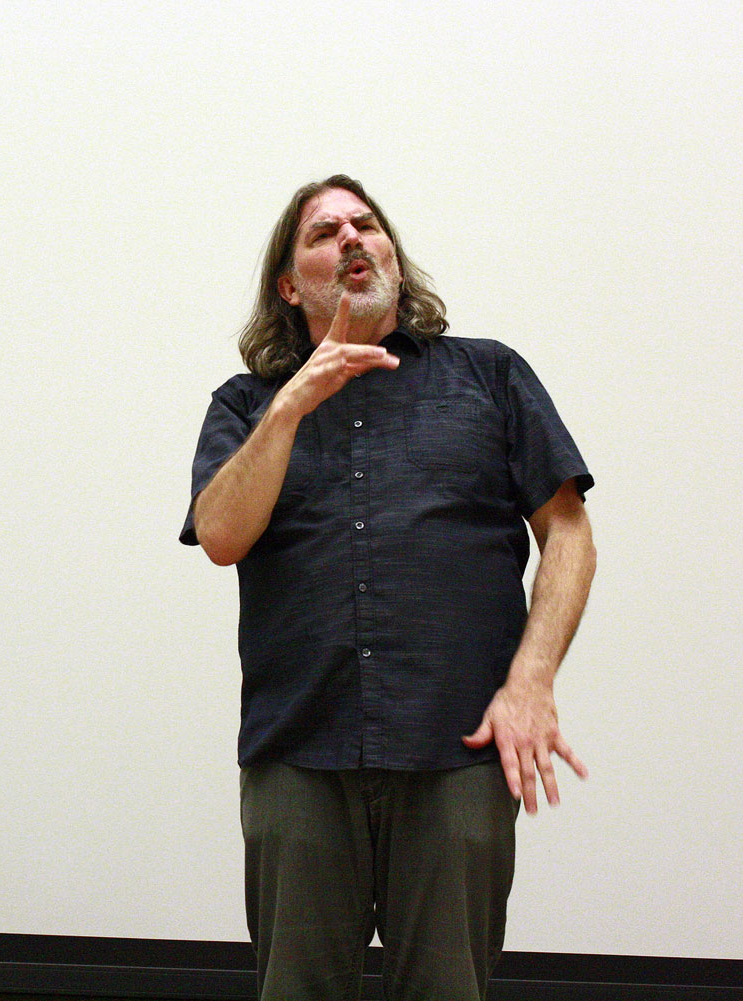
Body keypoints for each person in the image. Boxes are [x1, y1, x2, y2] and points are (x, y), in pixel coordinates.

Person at [181, 175, 596, 1001]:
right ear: (289, 285)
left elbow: (569, 534)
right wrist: (292, 404)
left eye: (365, 225)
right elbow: (221, 535)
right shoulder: (248, 404)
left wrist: (532, 680)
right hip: (299, 753)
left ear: (394, 261)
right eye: (324, 232)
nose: (351, 238)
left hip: (458, 751)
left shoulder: (490, 375)